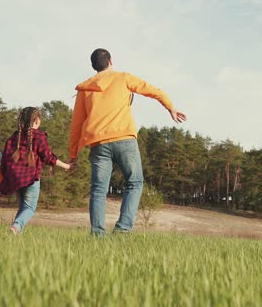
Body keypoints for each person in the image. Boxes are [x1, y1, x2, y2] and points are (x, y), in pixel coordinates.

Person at [68, 48, 186, 236]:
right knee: (135, 182)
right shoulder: (123, 78)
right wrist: (170, 107)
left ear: (93, 66)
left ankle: (98, 235)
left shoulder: (85, 89)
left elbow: (76, 123)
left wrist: (72, 155)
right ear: (110, 61)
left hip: (98, 143)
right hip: (124, 140)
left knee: (98, 189)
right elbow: (154, 91)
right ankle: (123, 229)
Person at [0, 107, 72, 235]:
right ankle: (15, 227)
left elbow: (5, 161)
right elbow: (48, 157)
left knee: (23, 207)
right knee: (30, 207)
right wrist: (66, 166)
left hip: (15, 179)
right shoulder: (39, 136)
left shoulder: (13, 138)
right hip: (31, 178)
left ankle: (16, 234)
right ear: (37, 120)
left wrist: (3, 179)